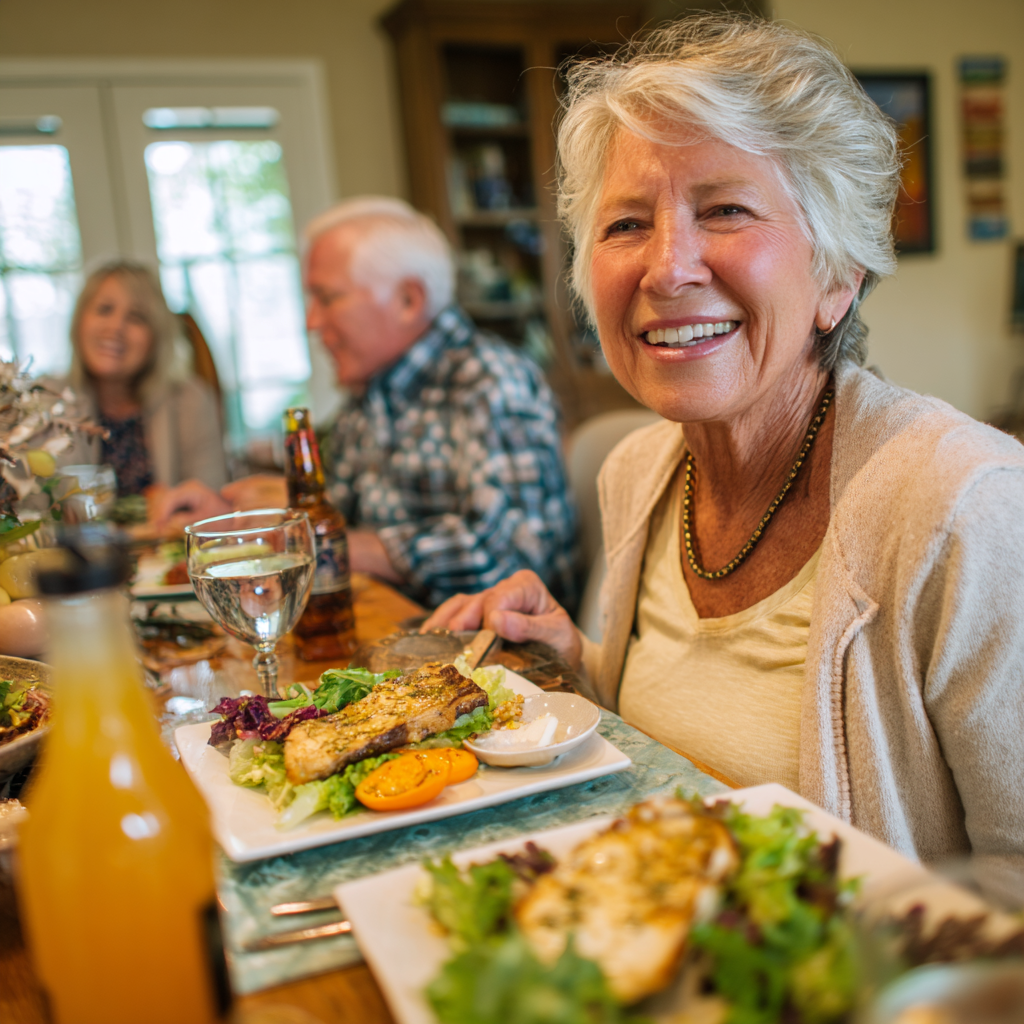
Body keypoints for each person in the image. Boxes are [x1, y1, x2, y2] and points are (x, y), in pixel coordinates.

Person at [425, 14, 1024, 871]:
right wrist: (578, 669)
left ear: (836, 277)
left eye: (726, 209)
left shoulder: (971, 510)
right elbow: (689, 745)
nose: (667, 268)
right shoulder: (640, 472)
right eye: (626, 223)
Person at [155, 197, 577, 609]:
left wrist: (320, 541)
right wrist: (238, 517)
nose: (312, 322)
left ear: (408, 300)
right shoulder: (373, 392)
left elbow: (510, 556)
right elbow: (338, 509)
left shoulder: (492, 381)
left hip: (504, 661)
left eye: (328, 297)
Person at [62, 261, 228, 495]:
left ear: (156, 337)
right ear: (79, 321)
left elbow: (210, 502)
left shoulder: (190, 400)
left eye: (136, 317)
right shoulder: (45, 404)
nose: (116, 326)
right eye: (104, 309)